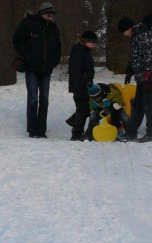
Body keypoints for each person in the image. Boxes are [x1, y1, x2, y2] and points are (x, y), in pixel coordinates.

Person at [12, 2, 62, 138]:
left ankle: (42, 130)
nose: (50, 17)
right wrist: (27, 56)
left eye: (51, 15)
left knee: (44, 99)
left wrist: (55, 60)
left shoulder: (53, 28)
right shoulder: (28, 23)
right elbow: (17, 40)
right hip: (32, 68)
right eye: (48, 14)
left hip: (47, 69)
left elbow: (58, 46)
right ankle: (32, 129)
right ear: (42, 13)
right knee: (33, 98)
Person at [117, 17, 152, 143]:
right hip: (143, 76)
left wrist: (148, 76)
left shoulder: (143, 34)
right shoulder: (137, 35)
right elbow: (135, 56)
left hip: (150, 75)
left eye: (124, 32)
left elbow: (150, 56)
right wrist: (130, 71)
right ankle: (131, 133)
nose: (124, 35)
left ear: (128, 28)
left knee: (148, 104)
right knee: (138, 104)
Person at [66, 31, 97, 141]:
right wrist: (81, 85)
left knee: (85, 108)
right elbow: (77, 72)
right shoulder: (79, 52)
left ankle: (74, 121)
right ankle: (76, 133)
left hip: (85, 85)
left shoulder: (85, 52)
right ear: (85, 41)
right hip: (80, 86)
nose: (94, 45)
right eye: (92, 42)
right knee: (82, 109)